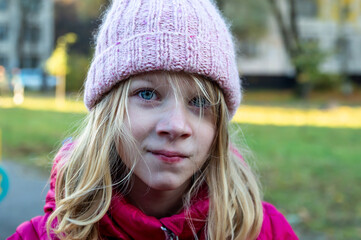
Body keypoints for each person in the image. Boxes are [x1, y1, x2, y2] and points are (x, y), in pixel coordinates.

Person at [8, 0, 299, 239]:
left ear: (219, 123)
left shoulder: (264, 231)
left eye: (199, 102)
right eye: (147, 94)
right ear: (107, 110)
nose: (175, 126)